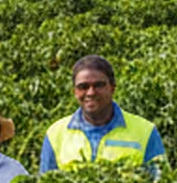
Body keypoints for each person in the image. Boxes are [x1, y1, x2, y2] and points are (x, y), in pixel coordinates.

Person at [38, 55, 166, 173]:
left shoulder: (145, 131)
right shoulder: (56, 134)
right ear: (75, 92)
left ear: (112, 88)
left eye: (99, 85)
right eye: (83, 87)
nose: (91, 92)